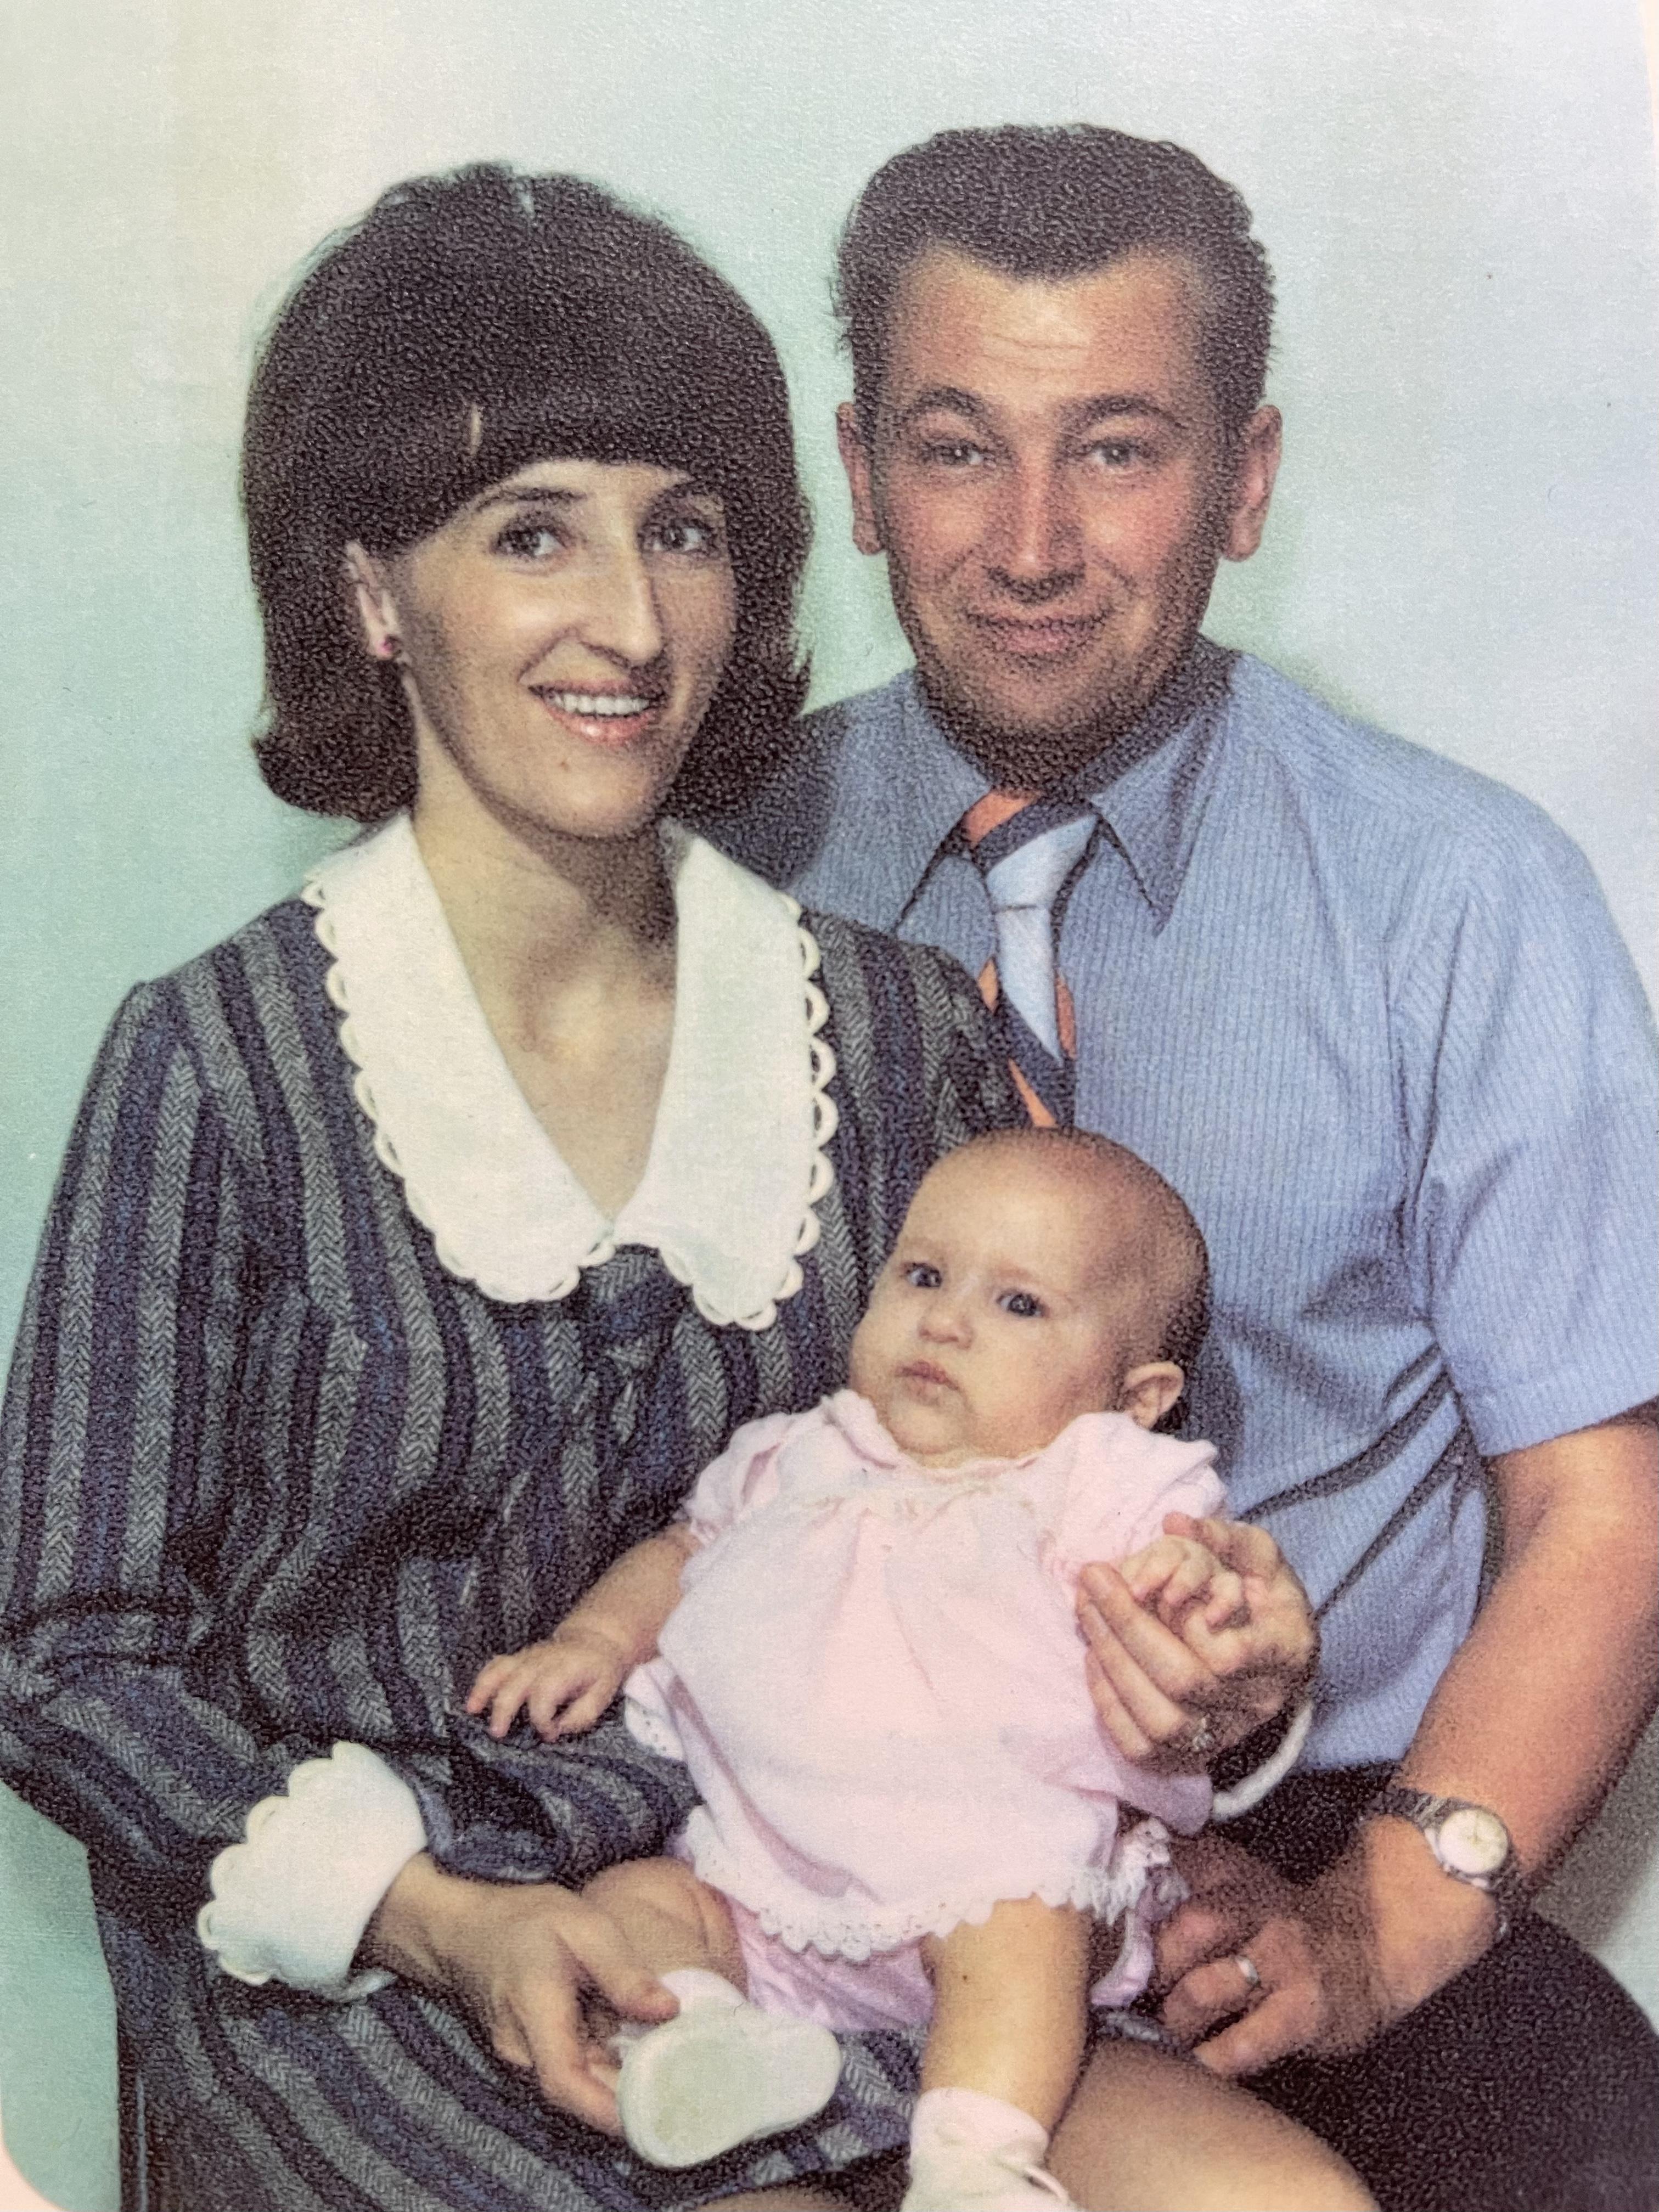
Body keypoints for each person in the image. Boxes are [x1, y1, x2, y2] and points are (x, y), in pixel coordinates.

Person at [0, 162, 1317, 2212]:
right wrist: (436, 1913)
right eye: (533, 531)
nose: (630, 622)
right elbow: (64, 1656)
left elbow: (1059, 1494)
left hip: (834, 1892)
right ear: (373, 593)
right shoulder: (219, 1068)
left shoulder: (896, 1034)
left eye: (683, 531)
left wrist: (1221, 1686)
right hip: (379, 1957)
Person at [708, 125, 1659, 2212]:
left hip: (1292, 1836)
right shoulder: (715, 875)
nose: (1033, 544)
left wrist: (1378, 1924)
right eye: (958, 450)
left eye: (1119, 451)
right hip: (809, 1830)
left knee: (1600, 2157)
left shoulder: (1460, 897)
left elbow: (1598, 1511)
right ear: (860, 472)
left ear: (1245, 478)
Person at [469, 1129, 1368, 2211]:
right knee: (639, 1905)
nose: (945, 1321)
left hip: (993, 1874)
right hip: (762, 1881)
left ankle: (975, 2166)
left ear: (1138, 1397)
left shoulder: (1092, 1475)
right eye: (925, 1276)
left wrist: (1190, 1586)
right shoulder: (797, 1452)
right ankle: (711, 2047)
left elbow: (1186, 1573)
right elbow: (684, 1550)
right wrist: (597, 1640)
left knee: (1022, 1931)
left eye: (1019, 1304)